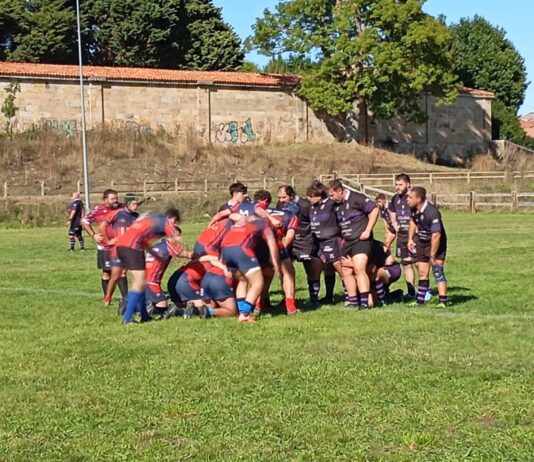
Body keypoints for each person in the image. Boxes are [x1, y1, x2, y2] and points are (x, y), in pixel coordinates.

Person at [115, 208, 183, 324]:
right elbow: (176, 237)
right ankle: (127, 317)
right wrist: (184, 248)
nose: (175, 225)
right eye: (175, 222)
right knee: (139, 283)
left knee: (142, 282)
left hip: (122, 245)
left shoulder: (153, 220)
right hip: (132, 247)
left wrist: (156, 256)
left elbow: (145, 243)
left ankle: (144, 315)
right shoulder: (166, 221)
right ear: (173, 219)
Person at [328, 179, 379, 309]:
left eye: (332, 195)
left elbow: (374, 210)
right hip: (347, 242)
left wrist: (368, 230)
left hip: (361, 241)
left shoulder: (357, 198)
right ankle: (352, 301)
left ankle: (363, 302)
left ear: (340, 191)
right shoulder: (336, 205)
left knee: (359, 268)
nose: (331, 198)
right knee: (346, 270)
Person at [219, 215, 280, 323]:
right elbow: (272, 243)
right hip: (241, 249)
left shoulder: (239, 224)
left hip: (225, 249)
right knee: (258, 283)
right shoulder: (264, 224)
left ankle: (242, 311)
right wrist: (275, 262)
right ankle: (245, 314)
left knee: (242, 281)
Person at [277, 185, 323, 305]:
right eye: (279, 197)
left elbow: (314, 221)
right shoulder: (280, 205)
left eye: (284, 197)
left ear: (291, 196)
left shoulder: (305, 205)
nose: (281, 200)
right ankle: (287, 297)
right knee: (285, 270)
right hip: (289, 240)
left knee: (311, 270)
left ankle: (314, 298)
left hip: (305, 241)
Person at [407, 186, 449, 308]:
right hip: (422, 241)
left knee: (437, 271)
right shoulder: (413, 209)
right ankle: (420, 301)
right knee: (422, 271)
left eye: (410, 197)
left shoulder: (432, 212)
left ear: (419, 199)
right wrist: (410, 238)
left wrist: (432, 255)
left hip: (436, 243)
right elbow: (413, 221)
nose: (407, 200)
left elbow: (436, 235)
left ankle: (443, 301)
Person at [81, 189, 122, 297]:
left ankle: (125, 298)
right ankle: (107, 297)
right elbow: (85, 221)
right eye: (113, 198)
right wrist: (93, 235)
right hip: (105, 247)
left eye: (116, 198)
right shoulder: (99, 210)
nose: (115, 200)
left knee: (122, 272)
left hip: (120, 245)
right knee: (107, 273)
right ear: (105, 200)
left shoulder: (122, 208)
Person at [100, 194, 140, 305]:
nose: (136, 206)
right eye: (134, 204)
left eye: (137, 204)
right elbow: (102, 226)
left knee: (129, 273)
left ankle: (127, 298)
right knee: (115, 275)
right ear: (128, 204)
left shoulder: (137, 216)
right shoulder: (116, 214)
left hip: (131, 249)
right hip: (118, 249)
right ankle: (108, 297)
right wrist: (108, 241)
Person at [308, 181, 342, 305]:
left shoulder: (331, 203)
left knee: (340, 268)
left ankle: (351, 296)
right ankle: (316, 299)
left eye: (311, 196)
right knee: (318, 269)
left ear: (319, 195)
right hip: (318, 242)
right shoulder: (311, 206)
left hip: (332, 240)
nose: (309, 199)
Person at [388, 174, 417, 300]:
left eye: (400, 184)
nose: (397, 187)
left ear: (408, 184)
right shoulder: (395, 199)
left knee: (419, 264)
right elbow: (392, 210)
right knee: (406, 263)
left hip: (415, 235)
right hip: (402, 236)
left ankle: (424, 291)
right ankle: (411, 292)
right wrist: (394, 223)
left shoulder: (415, 197)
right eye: (396, 184)